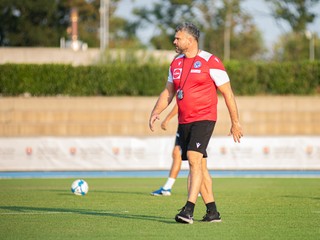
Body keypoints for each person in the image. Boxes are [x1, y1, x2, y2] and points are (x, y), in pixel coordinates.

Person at [148, 22, 243, 224]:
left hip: (204, 118)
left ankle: (188, 210)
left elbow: (228, 93)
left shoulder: (211, 61)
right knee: (200, 166)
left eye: (178, 38)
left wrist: (235, 122)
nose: (174, 41)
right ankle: (212, 212)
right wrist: (156, 111)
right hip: (184, 121)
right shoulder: (175, 63)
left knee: (193, 159)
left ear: (190, 40)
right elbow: (169, 92)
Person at [150, 103, 180, 196]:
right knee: (176, 154)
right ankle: (167, 188)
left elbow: (181, 103)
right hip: (185, 124)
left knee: (196, 158)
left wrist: (167, 119)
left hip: (196, 123)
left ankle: (201, 188)